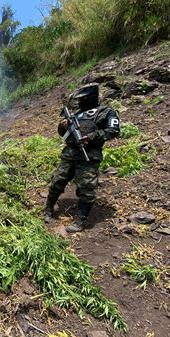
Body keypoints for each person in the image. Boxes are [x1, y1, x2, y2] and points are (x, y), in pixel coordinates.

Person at [44, 83, 120, 232]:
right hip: (69, 153)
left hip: (89, 156)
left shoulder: (106, 112)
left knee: (86, 187)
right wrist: (63, 126)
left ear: (91, 97)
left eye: (83, 98)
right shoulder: (76, 114)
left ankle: (80, 220)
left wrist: (92, 136)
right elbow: (63, 134)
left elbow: (113, 131)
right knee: (57, 181)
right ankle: (48, 209)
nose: (79, 101)